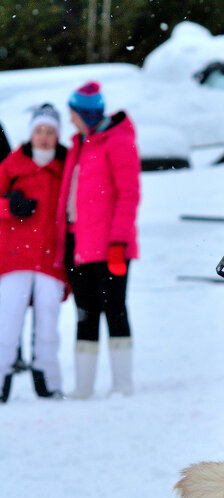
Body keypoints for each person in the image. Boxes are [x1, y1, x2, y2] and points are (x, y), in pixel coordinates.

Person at [55, 81, 141, 399]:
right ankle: (83, 386)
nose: (70, 121)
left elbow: (128, 194)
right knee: (85, 312)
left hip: (110, 246)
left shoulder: (117, 141)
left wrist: (118, 240)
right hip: (79, 244)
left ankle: (122, 384)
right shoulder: (80, 142)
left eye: (73, 115)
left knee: (114, 309)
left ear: (85, 114)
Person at [0, 104, 68, 403]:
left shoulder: (66, 167)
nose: (44, 137)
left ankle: (48, 383)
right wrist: (8, 207)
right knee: (7, 324)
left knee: (48, 326)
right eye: (39, 130)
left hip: (50, 260)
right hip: (14, 259)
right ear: (31, 133)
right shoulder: (12, 165)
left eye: (50, 132)